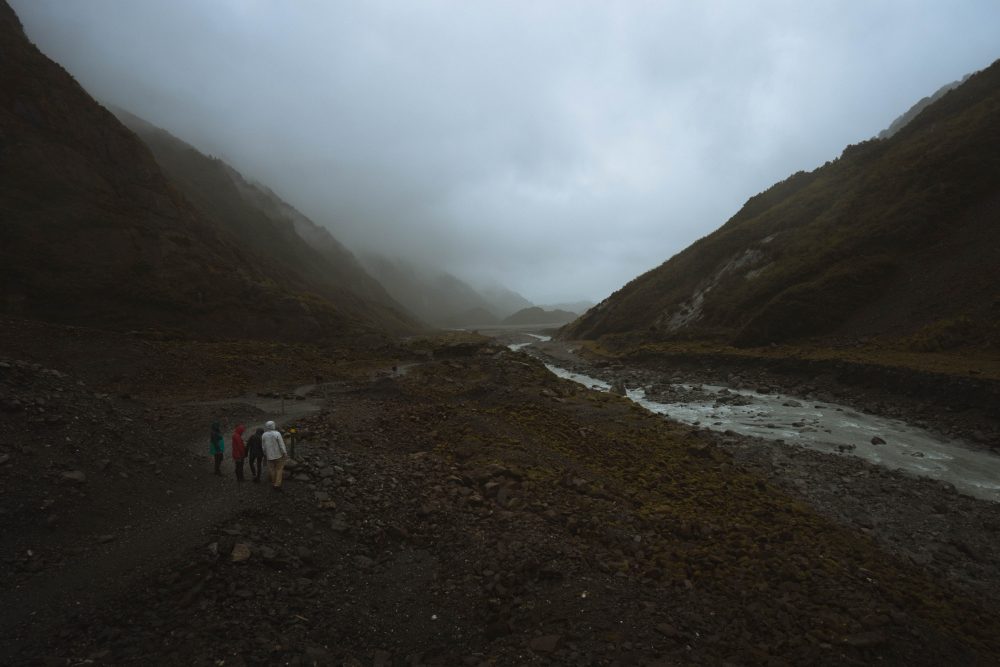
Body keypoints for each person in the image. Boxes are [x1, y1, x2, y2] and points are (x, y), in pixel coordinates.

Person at [262, 420, 288, 492]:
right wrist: (284, 453)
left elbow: (263, 447)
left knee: (271, 469)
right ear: (273, 426)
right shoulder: (277, 434)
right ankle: (277, 484)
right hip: (278, 455)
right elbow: (281, 444)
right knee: (279, 469)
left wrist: (265, 454)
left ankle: (273, 482)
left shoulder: (264, 435)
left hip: (269, 456)